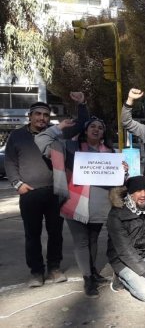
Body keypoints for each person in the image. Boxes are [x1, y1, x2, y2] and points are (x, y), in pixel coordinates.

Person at [35, 103, 117, 298]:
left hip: (100, 204)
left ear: (103, 133)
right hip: (75, 202)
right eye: (92, 126)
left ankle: (93, 273)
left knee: (94, 240)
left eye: (100, 127)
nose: (96, 129)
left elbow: (116, 178)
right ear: (85, 130)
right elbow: (41, 139)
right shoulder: (70, 148)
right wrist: (59, 127)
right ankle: (88, 280)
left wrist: (123, 170)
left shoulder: (110, 152)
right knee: (81, 242)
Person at [4, 102, 67, 287]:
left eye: (45, 115)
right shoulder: (17, 136)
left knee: (56, 233)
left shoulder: (56, 135)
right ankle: (36, 272)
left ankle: (54, 268)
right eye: (38, 114)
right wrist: (18, 184)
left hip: (55, 192)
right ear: (29, 116)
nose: (42, 118)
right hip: (29, 193)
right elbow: (9, 162)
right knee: (32, 235)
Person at [106, 176, 145, 302]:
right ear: (130, 193)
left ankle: (143, 272)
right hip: (123, 260)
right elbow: (125, 252)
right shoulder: (116, 214)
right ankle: (120, 279)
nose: (143, 195)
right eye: (138, 191)